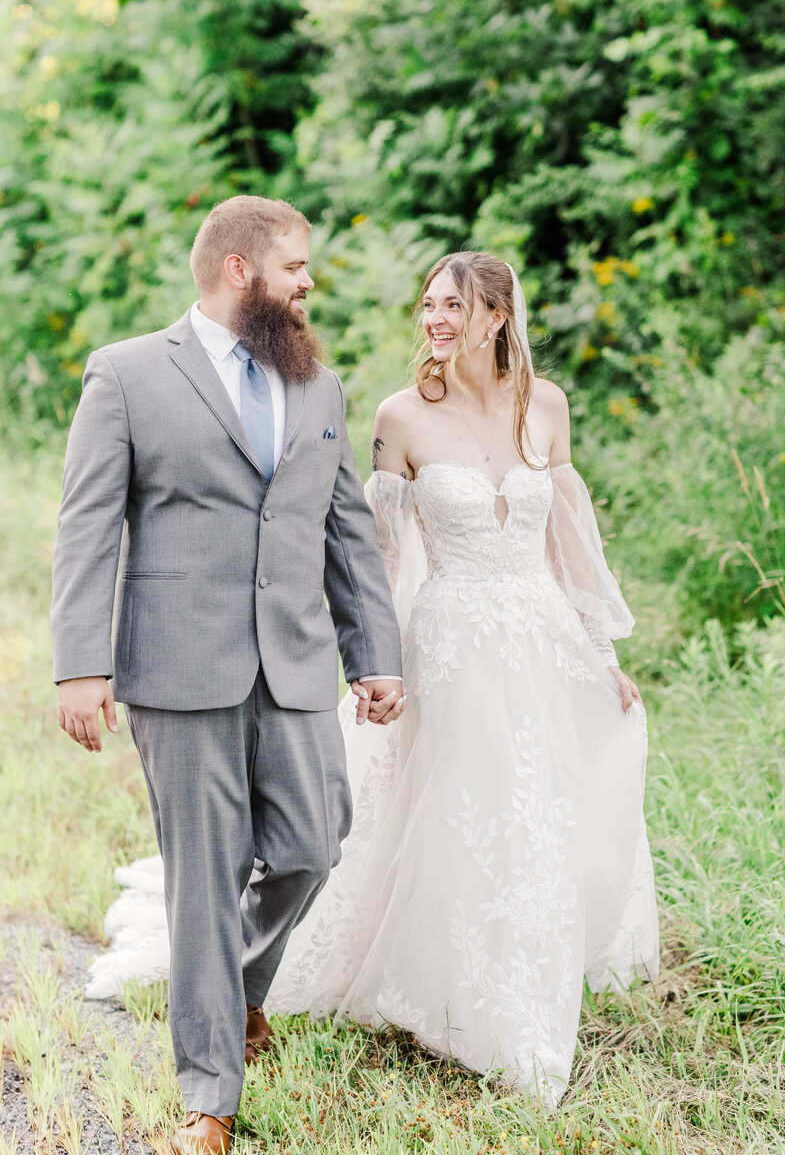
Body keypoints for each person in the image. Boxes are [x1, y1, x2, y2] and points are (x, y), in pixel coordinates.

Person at [86, 250, 660, 1106]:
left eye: (454, 306)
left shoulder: (546, 407)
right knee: (463, 809)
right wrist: (370, 663)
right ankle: (449, 995)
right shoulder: (400, 415)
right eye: (428, 303)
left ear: (498, 317)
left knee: (536, 811)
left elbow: (568, 547)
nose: (435, 319)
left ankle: (523, 988)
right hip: (451, 645)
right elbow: (373, 556)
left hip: (537, 643)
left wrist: (602, 653)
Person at [51, 195, 405, 1154]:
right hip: (176, 667)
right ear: (241, 270)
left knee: (314, 843)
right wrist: (80, 667)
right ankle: (212, 1098)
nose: (308, 283)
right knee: (202, 881)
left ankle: (239, 988)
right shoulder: (126, 374)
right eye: (295, 267)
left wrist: (374, 656)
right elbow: (87, 525)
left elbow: (346, 535)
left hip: (293, 663)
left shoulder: (317, 386)